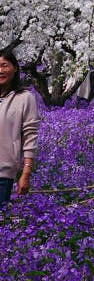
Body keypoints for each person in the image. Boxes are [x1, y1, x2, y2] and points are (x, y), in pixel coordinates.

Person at [0, 46, 38, 205]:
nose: (0, 70)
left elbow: (30, 136)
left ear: (15, 68)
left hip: (3, 174)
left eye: (4, 65)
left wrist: (26, 172)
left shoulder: (25, 98)